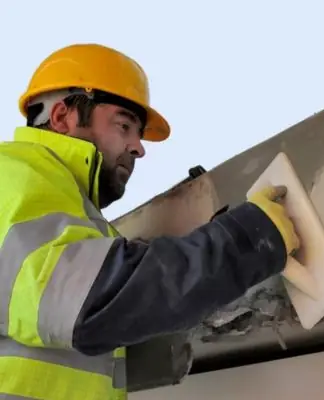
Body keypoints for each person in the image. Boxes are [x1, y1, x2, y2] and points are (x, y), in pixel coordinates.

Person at [0, 43, 300, 399]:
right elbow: (95, 303)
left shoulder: (70, 214)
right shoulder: (14, 176)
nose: (139, 147)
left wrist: (202, 245)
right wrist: (247, 240)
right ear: (63, 117)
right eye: (124, 125)